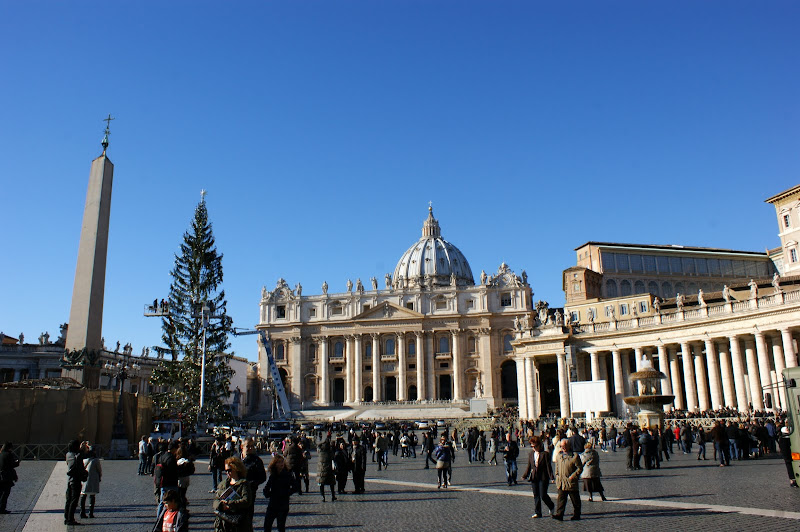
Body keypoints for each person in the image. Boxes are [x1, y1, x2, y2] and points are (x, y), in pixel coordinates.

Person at [213, 456, 253, 532]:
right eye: (226, 471)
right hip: (223, 523)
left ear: (236, 469)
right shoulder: (223, 484)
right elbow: (216, 500)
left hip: (238, 523)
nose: (227, 473)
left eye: (229, 470)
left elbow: (247, 501)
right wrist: (221, 505)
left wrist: (229, 504)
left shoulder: (244, 484)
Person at [521, 436, 555, 519]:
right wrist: (525, 475)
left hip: (543, 477)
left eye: (535, 446)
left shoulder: (545, 454)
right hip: (534, 477)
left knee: (543, 495)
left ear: (539, 445)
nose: (533, 448)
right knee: (536, 495)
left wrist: (552, 477)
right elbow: (529, 466)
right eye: (532, 446)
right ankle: (538, 512)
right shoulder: (531, 454)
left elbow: (548, 466)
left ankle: (551, 505)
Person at [263, 454, 297, 532]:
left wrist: (287, 493)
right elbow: (266, 488)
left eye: (282, 462)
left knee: (281, 526)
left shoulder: (288, 475)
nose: (281, 464)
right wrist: (269, 494)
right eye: (278, 462)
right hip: (273, 504)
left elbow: (295, 487)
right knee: (267, 525)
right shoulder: (273, 476)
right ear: (275, 464)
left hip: (283, 504)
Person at [552, 439, 583, 521]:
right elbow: (557, 467)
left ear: (569, 446)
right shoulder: (559, 456)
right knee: (561, 499)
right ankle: (559, 514)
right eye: (562, 446)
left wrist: (573, 476)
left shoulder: (575, 456)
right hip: (561, 482)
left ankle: (577, 514)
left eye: (565, 446)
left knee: (575, 500)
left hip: (571, 482)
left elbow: (579, 468)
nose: (563, 448)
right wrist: (557, 475)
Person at [64, 439, 86, 525]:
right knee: (74, 500)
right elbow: (79, 461)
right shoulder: (78, 456)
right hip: (76, 480)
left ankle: (67, 518)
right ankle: (70, 519)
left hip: (70, 480)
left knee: (69, 500)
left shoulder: (68, 454)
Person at [80, 446, 102, 518]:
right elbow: (99, 470)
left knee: (83, 495)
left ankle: (82, 512)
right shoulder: (96, 460)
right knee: (92, 496)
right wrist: (100, 476)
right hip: (93, 479)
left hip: (84, 479)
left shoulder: (84, 460)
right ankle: (90, 513)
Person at [0, 442, 20, 514]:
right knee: (5, 493)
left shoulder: (1, 454)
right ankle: (2, 509)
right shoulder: (9, 455)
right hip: (6, 476)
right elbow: (11, 466)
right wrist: (17, 462)